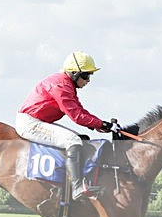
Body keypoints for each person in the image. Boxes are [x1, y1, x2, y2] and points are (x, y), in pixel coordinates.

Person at [15, 51, 114, 200]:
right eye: (86, 75)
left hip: (37, 121)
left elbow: (80, 110)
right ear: (74, 73)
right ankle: (77, 187)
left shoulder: (65, 84)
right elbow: (76, 116)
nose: (88, 80)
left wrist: (100, 124)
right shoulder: (61, 85)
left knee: (81, 138)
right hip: (30, 123)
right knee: (72, 141)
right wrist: (101, 124)